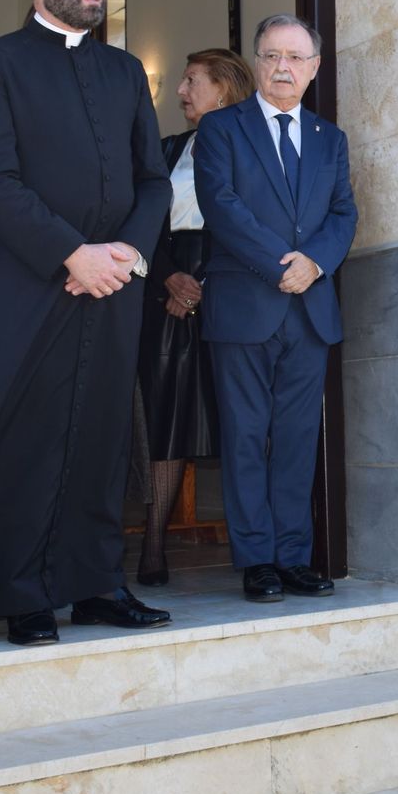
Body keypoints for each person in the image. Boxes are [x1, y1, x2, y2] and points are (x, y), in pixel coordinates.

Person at [0, 0, 174, 646]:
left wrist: (125, 252)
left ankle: (94, 584)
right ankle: (19, 590)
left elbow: (153, 180)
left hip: (115, 283)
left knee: (99, 433)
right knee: (20, 436)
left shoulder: (124, 74)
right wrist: (70, 253)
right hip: (25, 280)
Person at [193, 13, 357, 603]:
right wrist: (282, 264)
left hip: (310, 309)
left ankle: (292, 556)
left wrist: (314, 263)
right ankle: (256, 558)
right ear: (256, 62)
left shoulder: (328, 139)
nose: (282, 67)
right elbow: (222, 204)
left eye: (295, 57)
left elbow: (344, 214)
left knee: (294, 437)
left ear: (314, 68)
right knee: (244, 434)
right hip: (244, 303)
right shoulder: (220, 129)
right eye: (271, 56)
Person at [134, 48, 255, 586]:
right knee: (165, 417)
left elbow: (256, 222)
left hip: (231, 287)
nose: (180, 92)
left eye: (190, 82)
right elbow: (141, 225)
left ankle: (256, 550)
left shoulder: (255, 148)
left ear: (223, 89)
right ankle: (153, 547)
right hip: (165, 297)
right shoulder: (166, 150)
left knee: (240, 419)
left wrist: (206, 283)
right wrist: (169, 279)